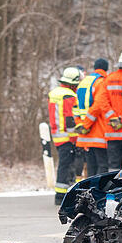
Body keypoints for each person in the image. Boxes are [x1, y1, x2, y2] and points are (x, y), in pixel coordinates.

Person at [48, 67, 81, 204]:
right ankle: (61, 196)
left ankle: (60, 195)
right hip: (67, 136)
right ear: (73, 84)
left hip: (57, 134)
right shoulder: (69, 95)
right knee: (66, 165)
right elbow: (69, 118)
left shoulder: (54, 93)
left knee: (63, 164)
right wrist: (75, 138)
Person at [73, 58, 109, 177]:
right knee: (102, 165)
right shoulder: (102, 82)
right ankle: (100, 193)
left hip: (84, 134)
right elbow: (98, 106)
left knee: (90, 165)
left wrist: (80, 124)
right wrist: (86, 124)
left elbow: (76, 106)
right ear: (106, 69)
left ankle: (90, 193)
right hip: (98, 132)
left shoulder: (83, 82)